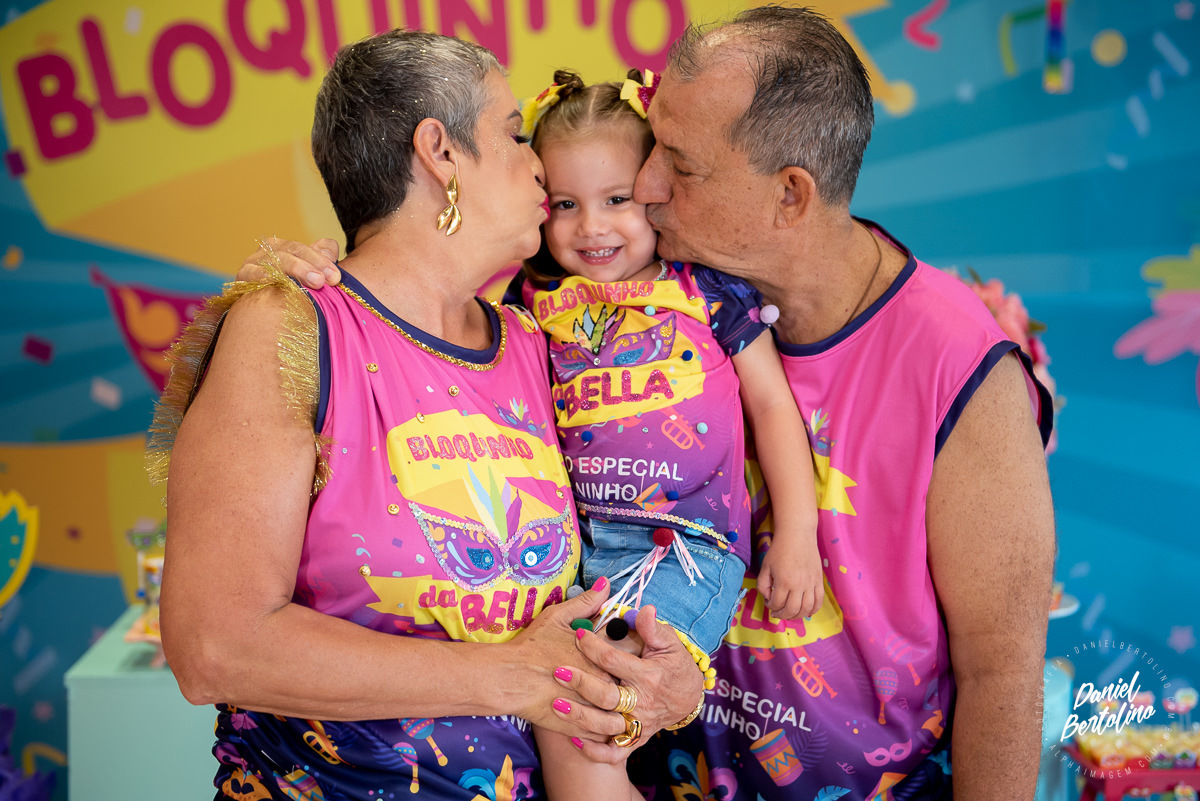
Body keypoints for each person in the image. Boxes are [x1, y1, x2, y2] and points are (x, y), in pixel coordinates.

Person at [258, 7, 1057, 799]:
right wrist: (333, 276)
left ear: (790, 195)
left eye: (678, 162)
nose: (645, 187)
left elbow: (1002, 671)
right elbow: (423, 309)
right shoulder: (583, 300)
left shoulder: (958, 364)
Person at [148, 29, 701, 800]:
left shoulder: (534, 344)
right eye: (514, 134)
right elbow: (215, 646)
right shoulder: (291, 328)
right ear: (440, 152)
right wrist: (509, 676)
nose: (539, 165)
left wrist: (662, 679)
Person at [510, 69, 823, 801]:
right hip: (574, 552)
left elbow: (773, 406)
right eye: (565, 204)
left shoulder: (704, 290)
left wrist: (798, 533)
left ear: (656, 189)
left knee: (584, 715)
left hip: (684, 551)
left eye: (616, 199)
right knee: (566, 715)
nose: (592, 227)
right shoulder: (532, 301)